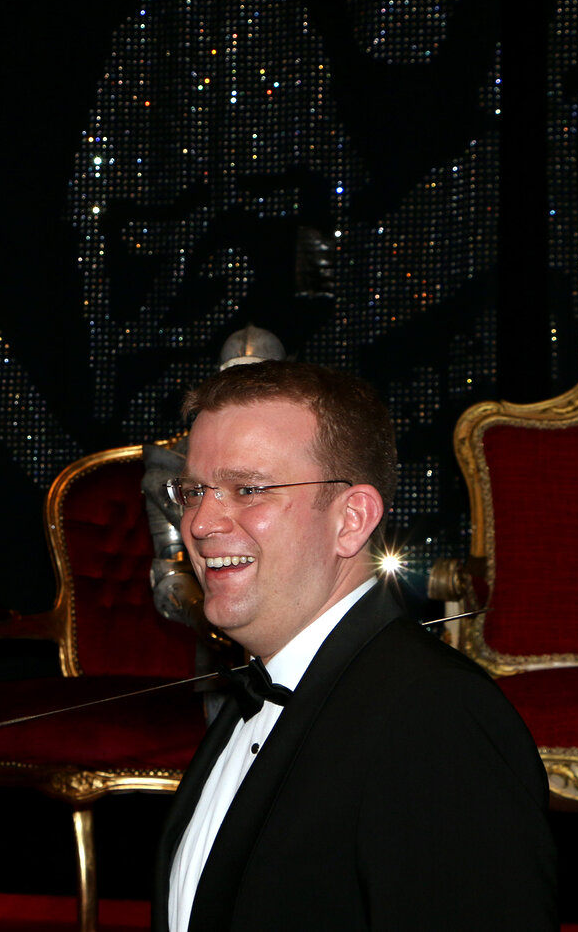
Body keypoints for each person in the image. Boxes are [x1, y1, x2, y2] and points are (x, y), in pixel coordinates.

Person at [152, 361, 555, 932]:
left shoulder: (436, 718)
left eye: (248, 489)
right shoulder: (256, 692)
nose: (200, 522)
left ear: (351, 519)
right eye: (195, 491)